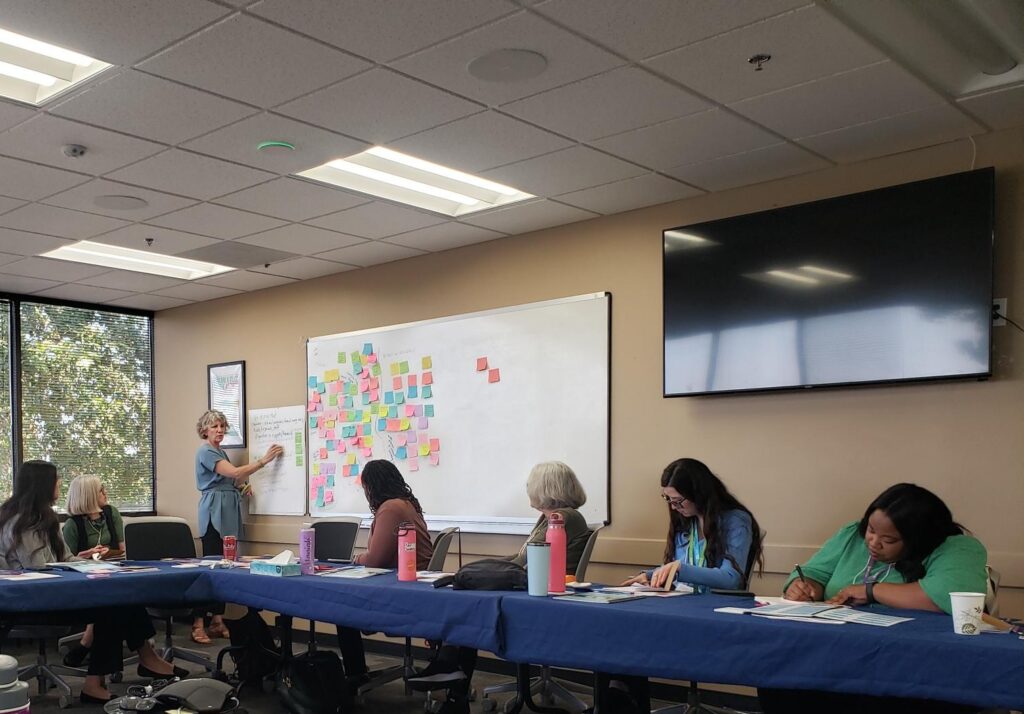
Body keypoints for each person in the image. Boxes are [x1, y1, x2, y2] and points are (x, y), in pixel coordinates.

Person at [760, 483, 988, 714]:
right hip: (834, 650)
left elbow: (947, 598)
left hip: (910, 662)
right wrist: (805, 587)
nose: (873, 542)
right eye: (870, 529)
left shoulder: (957, 548)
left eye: (889, 540)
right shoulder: (852, 535)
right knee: (780, 671)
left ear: (919, 539)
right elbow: (814, 572)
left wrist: (870, 591)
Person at [410, 462, 591, 713]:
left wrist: (478, 570)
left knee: (470, 603)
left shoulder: (562, 518)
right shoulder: (551, 517)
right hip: (534, 588)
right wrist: (484, 567)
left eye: (532, 483)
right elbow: (521, 560)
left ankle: (452, 675)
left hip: (542, 595)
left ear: (545, 487)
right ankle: (452, 679)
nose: (528, 488)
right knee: (471, 602)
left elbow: (523, 563)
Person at [0, 461, 184, 703]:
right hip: (32, 601)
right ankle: (101, 680)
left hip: (54, 592)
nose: (60, 484)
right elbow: (37, 568)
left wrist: (99, 565)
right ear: (42, 485)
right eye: (56, 480)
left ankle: (144, 660)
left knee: (123, 596)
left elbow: (66, 558)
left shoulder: (46, 518)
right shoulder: (23, 522)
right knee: (111, 606)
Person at [337, 460, 434, 695]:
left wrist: (355, 559)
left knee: (340, 608)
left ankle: (355, 674)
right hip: (413, 587)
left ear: (372, 487)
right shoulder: (406, 504)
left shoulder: (391, 508)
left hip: (400, 594)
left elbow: (374, 560)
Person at [193, 409, 282, 644]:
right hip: (214, 510)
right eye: (215, 427)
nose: (220, 431)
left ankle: (217, 620)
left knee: (226, 565)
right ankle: (198, 624)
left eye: (222, 426)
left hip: (228, 509)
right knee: (210, 567)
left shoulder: (220, 451)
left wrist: (241, 488)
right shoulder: (206, 451)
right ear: (205, 430)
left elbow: (230, 480)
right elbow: (232, 472)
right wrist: (263, 461)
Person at [623, 458, 764, 591]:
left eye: (678, 501)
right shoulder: (686, 520)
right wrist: (649, 575)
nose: (673, 507)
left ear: (698, 494)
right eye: (669, 499)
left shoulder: (736, 521)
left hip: (717, 606)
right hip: (685, 601)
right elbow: (677, 565)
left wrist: (680, 569)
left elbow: (731, 579)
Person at [60, 475, 126, 667]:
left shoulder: (112, 514)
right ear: (88, 496)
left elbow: (122, 551)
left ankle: (86, 643)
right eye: (101, 490)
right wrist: (84, 555)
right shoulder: (73, 525)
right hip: (83, 578)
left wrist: (108, 553)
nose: (106, 493)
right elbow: (64, 564)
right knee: (110, 599)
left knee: (120, 594)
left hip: (113, 571)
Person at [508, 461, 590, 574]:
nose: (528, 489)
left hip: (548, 585)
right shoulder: (554, 517)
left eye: (530, 485)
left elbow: (527, 559)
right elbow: (522, 557)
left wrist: (487, 570)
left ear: (542, 490)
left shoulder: (561, 518)